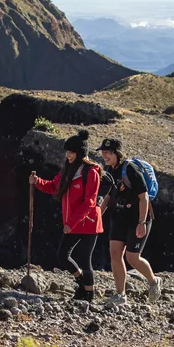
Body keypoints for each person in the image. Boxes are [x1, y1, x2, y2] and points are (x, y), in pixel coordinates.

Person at [31, 129, 105, 301]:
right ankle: (82, 284)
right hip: (73, 222)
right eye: (67, 152)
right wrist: (37, 182)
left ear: (80, 153)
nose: (68, 155)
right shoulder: (67, 170)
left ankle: (89, 294)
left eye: (71, 152)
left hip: (89, 222)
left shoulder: (91, 172)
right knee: (63, 255)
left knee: (85, 259)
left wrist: (71, 222)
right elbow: (52, 187)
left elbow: (90, 202)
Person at [97, 137, 161, 300]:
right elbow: (109, 197)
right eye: (103, 152)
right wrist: (97, 215)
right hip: (120, 216)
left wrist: (141, 223)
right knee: (115, 254)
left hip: (138, 216)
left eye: (108, 153)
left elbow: (144, 197)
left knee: (132, 257)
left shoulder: (130, 169)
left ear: (117, 153)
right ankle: (120, 295)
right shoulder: (110, 171)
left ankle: (153, 281)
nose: (105, 156)